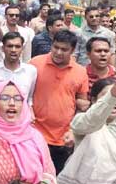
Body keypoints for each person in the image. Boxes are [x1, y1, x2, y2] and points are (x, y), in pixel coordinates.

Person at [31, 30, 89, 174]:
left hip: (64, 138)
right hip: (36, 134)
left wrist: (73, 130)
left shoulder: (80, 72)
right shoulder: (35, 64)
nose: (58, 52)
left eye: (64, 49)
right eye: (55, 47)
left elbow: (82, 103)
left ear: (73, 50)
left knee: (56, 181)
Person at [0, 32, 37, 104]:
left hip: (23, 114)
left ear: (22, 49)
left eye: (17, 46)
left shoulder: (31, 71)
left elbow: (29, 98)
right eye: (10, 46)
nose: (13, 50)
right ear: (3, 48)